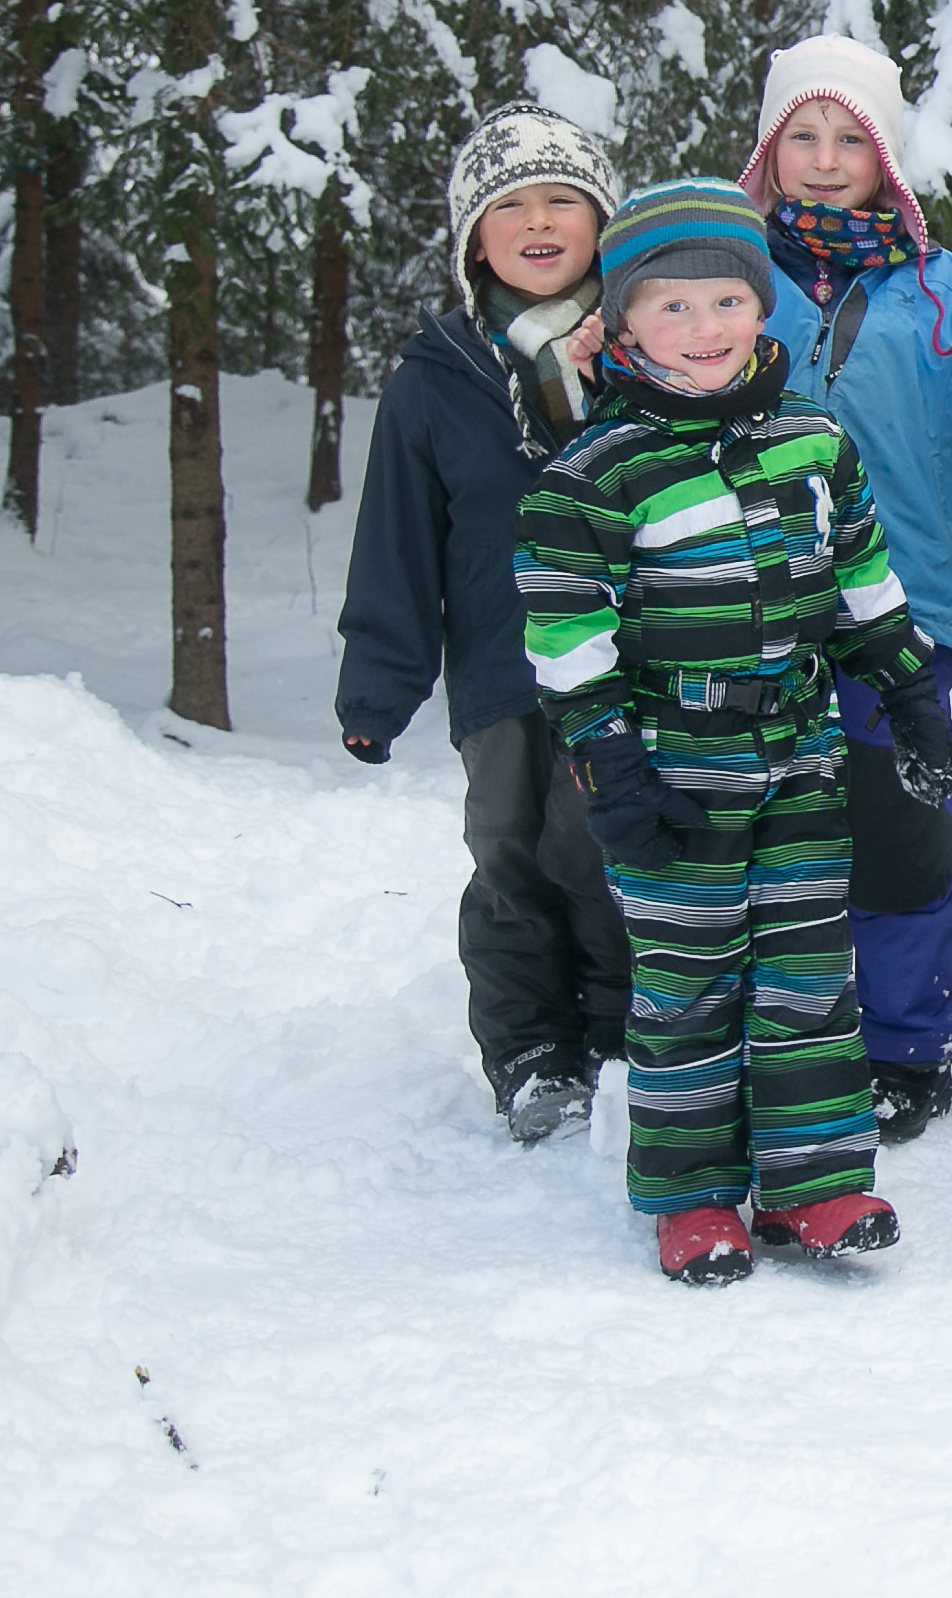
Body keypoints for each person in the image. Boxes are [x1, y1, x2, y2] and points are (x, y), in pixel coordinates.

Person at [516, 180, 952, 1283]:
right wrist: (611, 765)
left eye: (725, 301)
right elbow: (570, 643)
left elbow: (861, 577)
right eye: (672, 308)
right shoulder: (596, 476)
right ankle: (691, 1194)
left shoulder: (814, 443)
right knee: (689, 984)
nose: (704, 329)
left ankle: (815, 1185)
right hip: (673, 765)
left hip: (803, 757)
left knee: (809, 974)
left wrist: (908, 691)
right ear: (621, 327)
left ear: (763, 312)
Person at [737, 36, 952, 1143]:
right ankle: (768, 1028)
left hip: (901, 605)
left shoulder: (939, 288)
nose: (827, 160)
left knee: (899, 826)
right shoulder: (727, 277)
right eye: (805, 137)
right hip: (741, 603)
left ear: (887, 159)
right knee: (762, 823)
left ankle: (910, 1037)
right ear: (771, 150)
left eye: (852, 140)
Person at [334, 102, 631, 1146]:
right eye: (512, 205)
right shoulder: (438, 379)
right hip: (504, 671)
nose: (540, 221)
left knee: (605, 853)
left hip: (626, 662)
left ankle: (612, 1036)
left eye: (564, 199)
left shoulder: (646, 348)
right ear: (475, 237)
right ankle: (530, 1052)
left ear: (603, 223)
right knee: (512, 857)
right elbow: (397, 542)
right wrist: (380, 686)